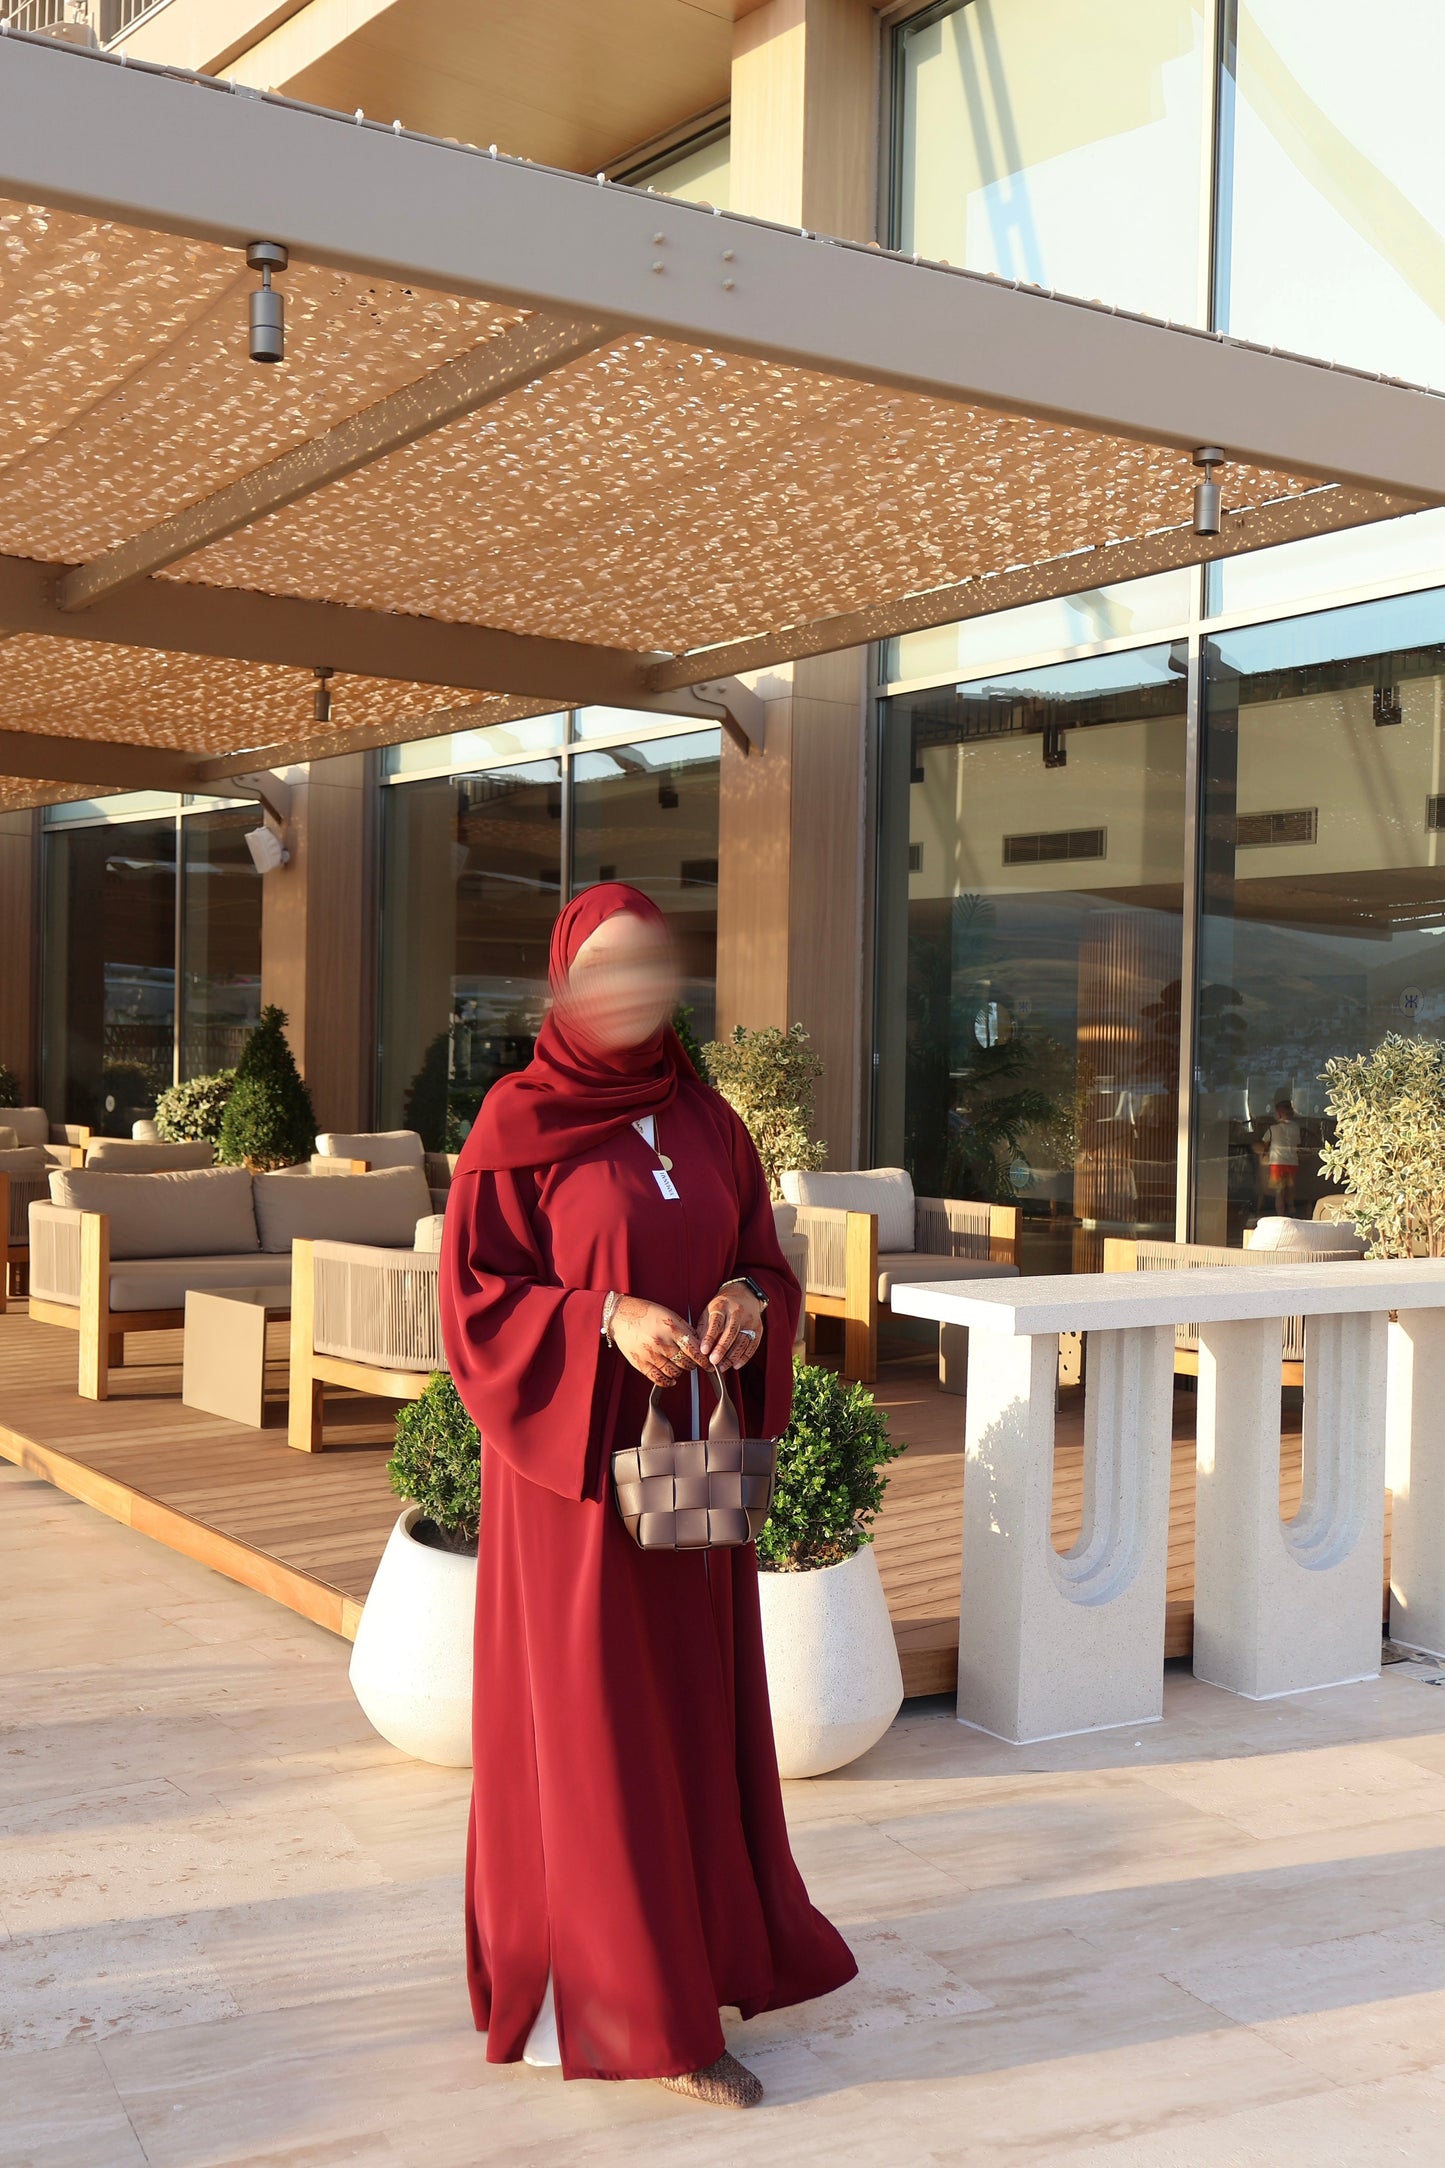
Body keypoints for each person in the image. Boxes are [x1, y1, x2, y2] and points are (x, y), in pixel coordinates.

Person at [440, 882, 857, 2110]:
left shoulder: (709, 1120)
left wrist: (745, 1301)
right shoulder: (516, 1121)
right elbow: (475, 1301)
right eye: (603, 965)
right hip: (572, 1488)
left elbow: (763, 1259)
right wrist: (601, 1317)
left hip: (687, 1476)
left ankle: (700, 1960)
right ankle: (634, 2009)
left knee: (688, 1713)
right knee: (597, 1728)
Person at [1257, 1095, 1301, 1216]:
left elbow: (1265, 1144)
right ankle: (1291, 1208)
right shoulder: (1296, 1128)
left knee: (1279, 1191)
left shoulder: (1272, 1129)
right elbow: (1298, 1143)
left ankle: (1280, 1213)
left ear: (1279, 1114)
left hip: (1277, 1163)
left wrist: (1264, 1153)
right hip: (1292, 1162)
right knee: (1290, 1189)